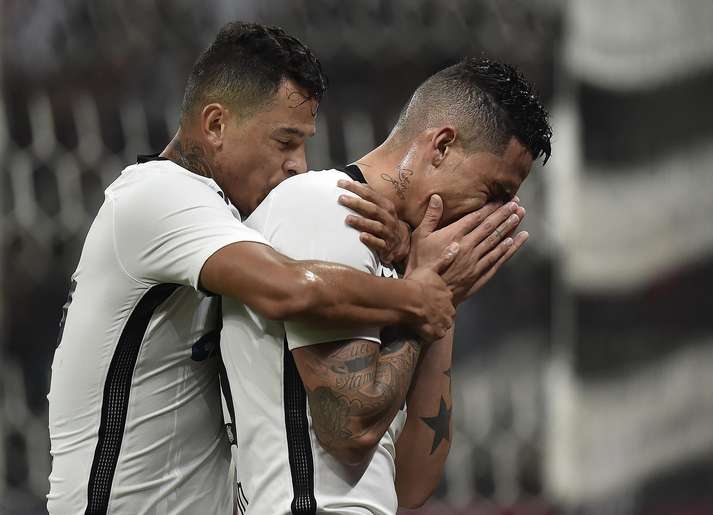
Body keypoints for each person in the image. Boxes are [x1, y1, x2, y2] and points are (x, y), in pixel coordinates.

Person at [47, 22, 498, 515]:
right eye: (285, 142)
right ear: (216, 124)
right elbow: (290, 288)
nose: (299, 165)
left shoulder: (229, 222)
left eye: (303, 143)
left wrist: (406, 252)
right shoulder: (158, 196)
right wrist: (420, 294)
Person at [220, 56, 552, 514]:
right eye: (493, 193)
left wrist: (437, 305)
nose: (490, 218)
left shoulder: (407, 270)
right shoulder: (329, 208)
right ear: (441, 146)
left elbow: (413, 482)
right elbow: (349, 428)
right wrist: (424, 305)